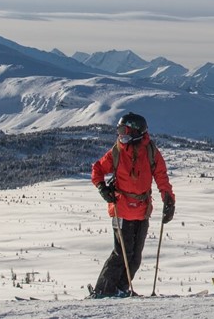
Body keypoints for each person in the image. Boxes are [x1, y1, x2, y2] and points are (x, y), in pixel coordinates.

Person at [89, 112, 176, 298]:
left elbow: (161, 176)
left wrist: (169, 200)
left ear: (137, 132)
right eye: (120, 130)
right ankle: (103, 291)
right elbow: (97, 169)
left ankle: (120, 289)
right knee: (122, 254)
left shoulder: (150, 151)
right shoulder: (118, 151)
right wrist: (102, 188)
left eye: (125, 130)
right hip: (121, 209)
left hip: (142, 211)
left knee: (135, 258)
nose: (121, 134)